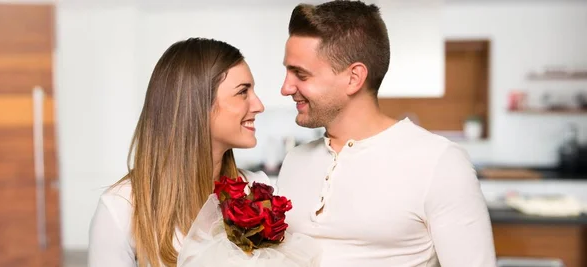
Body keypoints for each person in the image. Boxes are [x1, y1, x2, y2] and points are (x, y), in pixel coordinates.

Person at [276, 1, 497, 266]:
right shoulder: (294, 161)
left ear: (354, 78)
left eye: (300, 74)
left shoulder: (439, 162)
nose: (286, 87)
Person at [88, 38, 269, 267]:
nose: (259, 105)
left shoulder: (258, 192)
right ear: (197, 103)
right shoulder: (120, 209)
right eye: (243, 92)